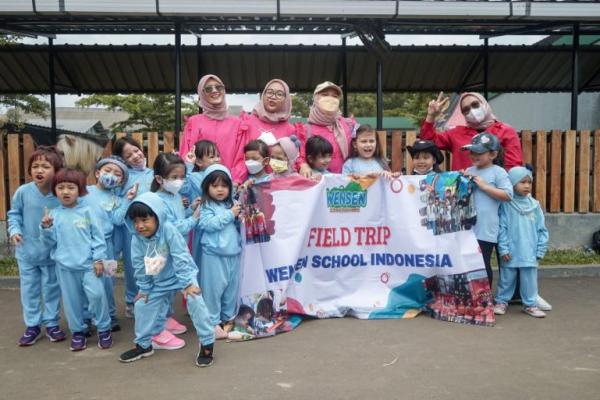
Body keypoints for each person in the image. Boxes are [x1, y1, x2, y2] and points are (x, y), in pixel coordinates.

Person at [118, 193, 215, 367]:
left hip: (181, 276)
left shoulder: (169, 229)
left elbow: (181, 256)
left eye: (145, 220)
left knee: (196, 301)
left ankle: (207, 344)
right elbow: (139, 264)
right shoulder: (136, 238)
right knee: (141, 304)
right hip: (158, 279)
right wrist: (145, 288)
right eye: (135, 221)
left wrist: (187, 283)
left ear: (157, 217)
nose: (139, 226)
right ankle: (143, 345)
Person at [40, 168, 112, 351]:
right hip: (65, 267)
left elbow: (98, 238)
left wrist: (98, 260)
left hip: (89, 265)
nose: (65, 192)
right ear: (55, 190)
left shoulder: (88, 211)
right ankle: (78, 332)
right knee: (72, 302)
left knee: (96, 295)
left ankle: (104, 328)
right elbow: (49, 243)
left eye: (71, 187)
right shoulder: (54, 215)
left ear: (79, 190)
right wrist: (46, 229)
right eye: (61, 187)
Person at [8, 146, 66, 346]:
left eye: (45, 166)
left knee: (51, 289)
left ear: (56, 170)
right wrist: (14, 231)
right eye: (35, 166)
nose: (39, 170)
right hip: (26, 253)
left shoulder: (61, 194)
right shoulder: (24, 192)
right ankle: (32, 325)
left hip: (51, 254)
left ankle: (51, 323)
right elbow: (14, 214)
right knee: (30, 289)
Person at [150, 152, 201, 350]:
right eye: (173, 178)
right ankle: (155, 332)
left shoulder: (174, 195)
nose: (178, 181)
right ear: (159, 179)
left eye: (181, 177)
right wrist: (194, 219)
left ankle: (165, 318)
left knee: (169, 288)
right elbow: (171, 229)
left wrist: (190, 210)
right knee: (159, 290)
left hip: (171, 253)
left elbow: (178, 218)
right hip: (159, 253)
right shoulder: (157, 200)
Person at [83, 156, 138, 332]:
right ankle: (88, 316)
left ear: (121, 180)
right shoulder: (84, 192)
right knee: (87, 281)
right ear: (98, 173)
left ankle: (110, 315)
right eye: (107, 171)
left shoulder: (116, 200)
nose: (111, 176)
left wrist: (128, 200)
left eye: (117, 174)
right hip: (84, 244)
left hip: (108, 246)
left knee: (108, 281)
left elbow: (117, 219)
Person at [494, 167, 549, 318]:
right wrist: (503, 249)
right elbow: (502, 228)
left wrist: (540, 249)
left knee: (529, 279)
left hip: (530, 251)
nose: (526, 186)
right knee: (507, 278)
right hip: (511, 251)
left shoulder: (535, 205)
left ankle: (530, 305)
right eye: (522, 182)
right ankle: (501, 301)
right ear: (511, 184)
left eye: (529, 182)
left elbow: (542, 229)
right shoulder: (506, 204)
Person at [421, 92, 523, 171]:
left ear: (484, 103)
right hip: (463, 191)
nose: (472, 111)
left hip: (494, 192)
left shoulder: (505, 130)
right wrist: (431, 116)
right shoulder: (456, 133)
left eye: (475, 105)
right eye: (466, 110)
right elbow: (428, 143)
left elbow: (513, 166)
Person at [198, 164, 242, 340]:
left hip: (233, 253)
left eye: (224, 186)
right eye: (215, 186)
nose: (220, 190)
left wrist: (239, 217)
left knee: (232, 289)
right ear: (207, 187)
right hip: (214, 255)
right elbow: (207, 225)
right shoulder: (206, 205)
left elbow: (236, 227)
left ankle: (228, 318)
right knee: (213, 291)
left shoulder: (232, 204)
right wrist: (230, 214)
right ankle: (212, 323)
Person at [462, 132, 513, 286]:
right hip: (468, 226)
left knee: (482, 263)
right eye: (472, 151)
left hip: (486, 228)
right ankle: (471, 297)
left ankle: (484, 300)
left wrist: (484, 186)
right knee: (468, 263)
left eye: (479, 152)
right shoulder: (469, 170)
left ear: (493, 154)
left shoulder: (499, 172)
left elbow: (507, 195)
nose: (474, 155)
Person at [112, 136, 155, 318]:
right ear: (123, 160)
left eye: (136, 151)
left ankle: (152, 299)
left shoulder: (154, 173)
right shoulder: (123, 177)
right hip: (131, 230)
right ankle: (132, 301)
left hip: (153, 229)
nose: (136, 156)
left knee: (153, 265)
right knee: (133, 267)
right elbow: (115, 202)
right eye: (129, 155)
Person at [179, 74, 246, 183]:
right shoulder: (194, 122)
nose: (214, 91)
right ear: (202, 93)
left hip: (227, 185)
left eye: (218, 87)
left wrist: (234, 181)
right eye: (208, 89)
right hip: (198, 184)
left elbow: (241, 157)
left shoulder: (237, 123)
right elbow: (185, 153)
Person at [240, 79, 306, 176]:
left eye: (279, 94)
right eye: (269, 92)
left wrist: (303, 165)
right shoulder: (247, 122)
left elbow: (295, 157)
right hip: (250, 183)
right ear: (263, 95)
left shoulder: (291, 129)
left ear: (286, 99)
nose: (273, 97)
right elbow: (239, 155)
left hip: (279, 184)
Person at [300, 81, 355, 175]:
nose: (330, 99)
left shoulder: (349, 124)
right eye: (324, 95)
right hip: (318, 183)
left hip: (346, 183)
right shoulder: (305, 129)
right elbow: (299, 155)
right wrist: (303, 165)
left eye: (335, 96)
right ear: (315, 98)